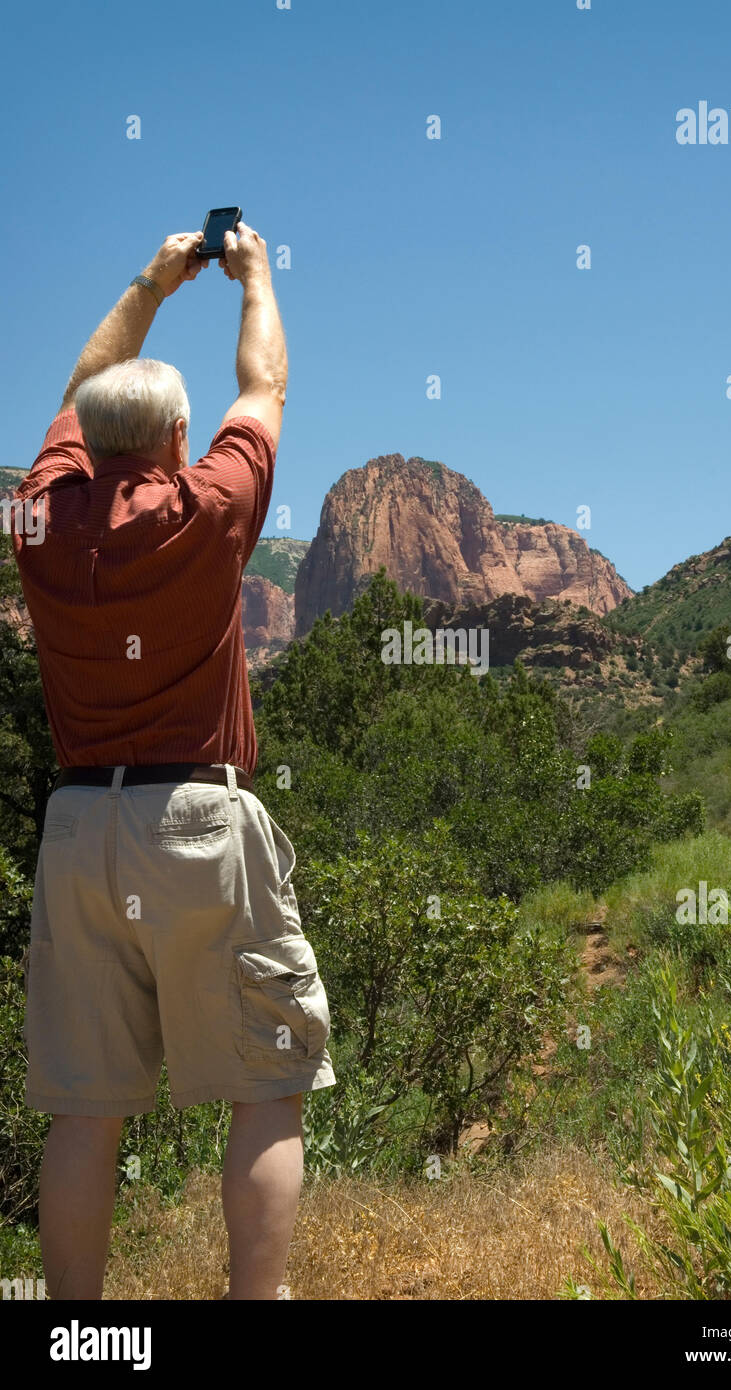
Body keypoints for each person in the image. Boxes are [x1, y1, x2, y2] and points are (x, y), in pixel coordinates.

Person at [11, 221, 335, 1301]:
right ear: (180, 436)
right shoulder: (211, 506)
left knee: (84, 1108)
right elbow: (270, 381)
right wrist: (255, 277)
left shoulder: (40, 517)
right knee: (265, 1082)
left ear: (84, 440)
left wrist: (155, 279)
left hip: (75, 834)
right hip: (197, 823)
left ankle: (74, 1332)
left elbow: (84, 379)